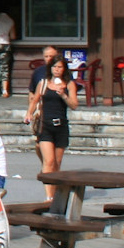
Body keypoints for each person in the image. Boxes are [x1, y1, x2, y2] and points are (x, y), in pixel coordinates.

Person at [27, 51, 77, 197]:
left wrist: (64, 95)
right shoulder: (43, 83)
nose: (57, 70)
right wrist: (29, 113)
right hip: (46, 125)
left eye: (60, 67)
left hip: (61, 126)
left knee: (56, 163)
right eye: (54, 67)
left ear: (64, 69)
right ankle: (49, 196)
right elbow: (35, 100)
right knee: (48, 161)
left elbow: (74, 105)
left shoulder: (69, 84)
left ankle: (55, 193)